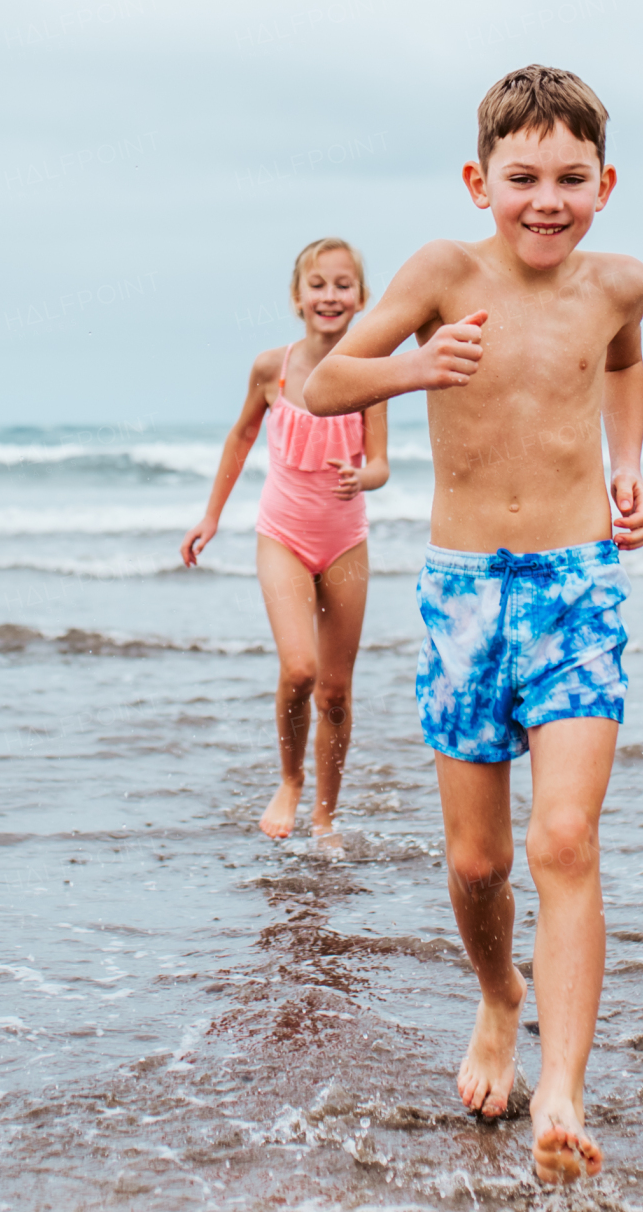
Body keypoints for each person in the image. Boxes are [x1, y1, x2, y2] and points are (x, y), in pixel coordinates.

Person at [305, 66, 643, 1184]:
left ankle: (562, 1085)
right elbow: (322, 387)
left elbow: (623, 366)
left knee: (564, 840)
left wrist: (628, 467)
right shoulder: (443, 273)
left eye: (568, 178)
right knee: (476, 861)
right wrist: (412, 367)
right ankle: (498, 996)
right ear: (478, 181)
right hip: (463, 589)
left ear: (604, 183)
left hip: (577, 584)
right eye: (521, 178)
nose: (544, 199)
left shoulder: (620, 285)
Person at [180, 238, 389, 847]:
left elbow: (380, 464)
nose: (330, 295)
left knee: (336, 690)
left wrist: (364, 476)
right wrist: (210, 517)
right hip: (283, 535)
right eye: (317, 284)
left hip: (346, 540)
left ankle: (326, 815)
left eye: (342, 285)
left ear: (362, 297)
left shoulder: (366, 372)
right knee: (299, 670)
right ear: (297, 298)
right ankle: (290, 781)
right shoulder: (271, 368)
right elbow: (241, 437)